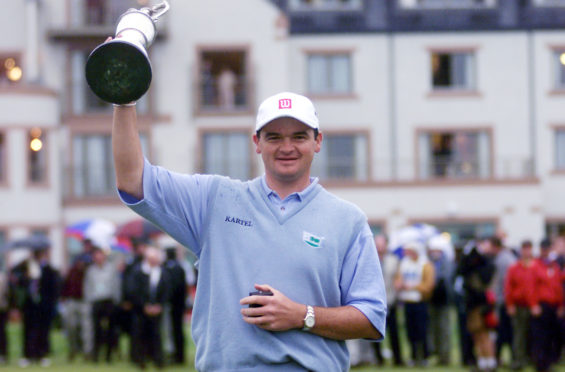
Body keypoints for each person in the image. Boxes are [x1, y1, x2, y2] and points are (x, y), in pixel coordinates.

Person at [112, 91, 386, 371]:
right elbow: (133, 180)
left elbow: (371, 318)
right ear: (257, 142)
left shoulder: (347, 220)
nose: (287, 147)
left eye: (299, 136)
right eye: (274, 137)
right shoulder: (213, 200)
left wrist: (303, 316)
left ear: (318, 141)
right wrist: (124, 99)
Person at [457, 239, 498, 372]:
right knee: (476, 334)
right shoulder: (472, 263)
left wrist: (476, 254)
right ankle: (482, 361)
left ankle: (490, 362)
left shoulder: (488, 263)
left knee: (485, 334)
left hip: (484, 304)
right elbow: (462, 269)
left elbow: (484, 279)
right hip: (473, 304)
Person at [395, 241, 435, 367]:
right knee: (410, 331)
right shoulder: (404, 263)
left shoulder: (426, 265)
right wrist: (399, 284)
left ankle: (424, 356)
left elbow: (429, 285)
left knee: (422, 330)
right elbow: (399, 278)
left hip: (420, 301)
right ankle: (413, 356)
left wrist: (412, 286)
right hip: (407, 301)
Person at [130, 246, 169, 369]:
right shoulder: (138, 272)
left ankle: (158, 360)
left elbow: (167, 291)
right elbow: (134, 291)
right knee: (140, 335)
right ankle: (141, 360)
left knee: (157, 335)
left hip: (157, 310)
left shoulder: (163, 272)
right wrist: (144, 305)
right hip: (141, 311)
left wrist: (159, 305)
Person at [530, 238, 564, 372]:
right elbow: (531, 287)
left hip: (553, 306)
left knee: (551, 336)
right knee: (540, 337)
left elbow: (558, 287)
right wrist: (533, 304)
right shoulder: (536, 266)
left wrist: (561, 304)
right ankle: (540, 364)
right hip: (541, 305)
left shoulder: (553, 266)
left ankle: (548, 363)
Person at [83, 246, 121, 364]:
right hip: (96, 302)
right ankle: (95, 355)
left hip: (109, 301)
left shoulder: (111, 269)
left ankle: (108, 356)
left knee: (110, 329)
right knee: (96, 329)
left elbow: (116, 285)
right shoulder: (91, 270)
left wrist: (116, 301)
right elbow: (87, 287)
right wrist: (89, 301)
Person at [504, 240, 536, 371]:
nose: (526, 252)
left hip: (534, 306)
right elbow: (508, 287)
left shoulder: (536, 266)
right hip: (519, 305)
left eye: (529, 249)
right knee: (519, 335)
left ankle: (533, 359)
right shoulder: (514, 268)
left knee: (534, 334)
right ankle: (519, 360)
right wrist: (510, 304)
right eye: (524, 249)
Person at [373, 233, 403, 366]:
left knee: (394, 331)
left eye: (381, 244)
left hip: (390, 300)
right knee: (375, 332)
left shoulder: (393, 259)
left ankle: (398, 359)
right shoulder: (369, 259)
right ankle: (378, 359)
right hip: (375, 301)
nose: (379, 247)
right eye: (377, 244)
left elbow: (398, 276)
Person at [427, 235, 454, 366]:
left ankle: (445, 356)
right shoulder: (429, 263)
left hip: (444, 300)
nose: (435, 253)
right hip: (432, 300)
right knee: (434, 329)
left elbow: (445, 278)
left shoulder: (447, 263)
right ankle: (437, 354)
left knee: (444, 329)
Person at [489, 236, 516, 365]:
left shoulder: (502, 260)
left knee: (504, 331)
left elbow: (503, 283)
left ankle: (502, 358)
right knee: (506, 331)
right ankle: (507, 358)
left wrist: (497, 299)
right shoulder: (508, 257)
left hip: (504, 301)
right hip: (506, 300)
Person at [163, 246, 187, 365]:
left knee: (173, 330)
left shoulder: (168, 268)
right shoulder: (180, 268)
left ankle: (176, 355)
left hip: (173, 304)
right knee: (177, 330)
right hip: (179, 304)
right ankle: (179, 355)